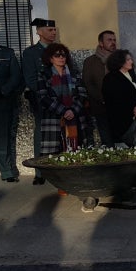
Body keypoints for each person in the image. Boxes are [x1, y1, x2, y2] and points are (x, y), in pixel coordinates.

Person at [36, 43, 94, 207]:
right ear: (50, 58)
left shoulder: (74, 73)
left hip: (75, 119)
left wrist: (73, 110)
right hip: (54, 120)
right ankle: (62, 184)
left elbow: (82, 94)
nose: (61, 58)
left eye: (63, 55)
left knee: (75, 150)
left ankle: (78, 183)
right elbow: (43, 96)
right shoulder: (44, 74)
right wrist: (62, 111)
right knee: (57, 153)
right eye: (57, 55)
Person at [21, 18, 57, 185]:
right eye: (50, 30)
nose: (54, 32)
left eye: (54, 30)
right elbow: (30, 79)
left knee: (60, 133)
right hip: (41, 100)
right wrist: (47, 94)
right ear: (39, 32)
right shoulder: (30, 53)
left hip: (61, 99)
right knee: (41, 134)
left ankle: (58, 168)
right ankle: (40, 171)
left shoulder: (60, 50)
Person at [102, 49, 136, 148]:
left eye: (131, 59)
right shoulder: (111, 79)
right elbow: (115, 102)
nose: (131, 61)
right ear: (119, 61)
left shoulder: (131, 75)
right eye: (128, 60)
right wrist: (133, 108)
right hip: (122, 123)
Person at [0, 22, 21, 182]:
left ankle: (6, 171)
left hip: (2, 101)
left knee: (3, 137)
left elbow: (16, 76)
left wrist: (2, 91)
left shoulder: (7, 53)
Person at [81, 30, 117, 147]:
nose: (113, 42)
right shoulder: (90, 62)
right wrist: (102, 99)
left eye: (114, 40)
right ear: (101, 43)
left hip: (120, 108)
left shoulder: (121, 59)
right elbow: (88, 83)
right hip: (101, 108)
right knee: (107, 141)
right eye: (109, 40)